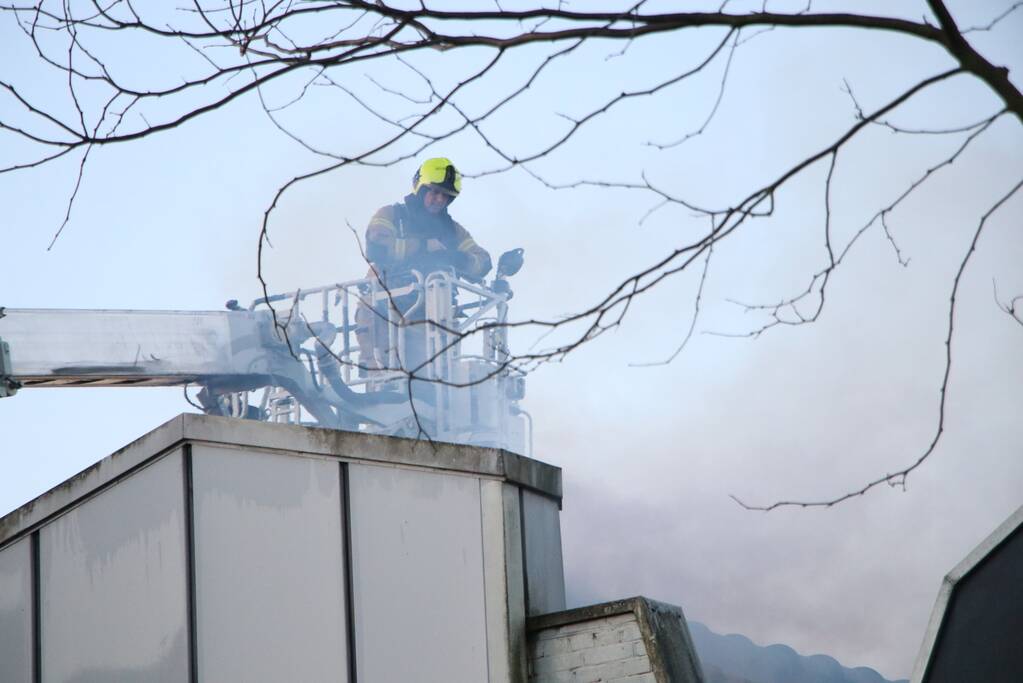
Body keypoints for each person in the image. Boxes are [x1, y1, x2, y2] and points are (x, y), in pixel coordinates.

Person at [355, 157, 492, 373]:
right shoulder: (391, 215)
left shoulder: (453, 232)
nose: (439, 199)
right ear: (419, 188)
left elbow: (483, 262)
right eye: (434, 192)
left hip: (432, 316)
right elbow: (377, 248)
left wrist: (455, 258)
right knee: (384, 377)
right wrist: (423, 247)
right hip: (383, 309)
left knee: (428, 381)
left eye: (446, 196)